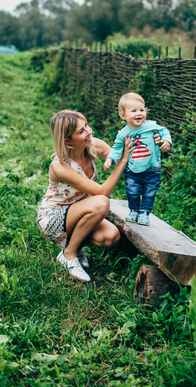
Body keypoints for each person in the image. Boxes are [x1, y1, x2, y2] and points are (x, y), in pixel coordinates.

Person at [37, 110, 135, 282]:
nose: (89, 131)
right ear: (67, 141)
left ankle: (74, 245)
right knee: (101, 202)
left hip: (78, 213)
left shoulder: (92, 145)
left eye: (86, 126)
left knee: (111, 236)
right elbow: (103, 192)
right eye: (81, 131)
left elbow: (121, 157)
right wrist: (124, 160)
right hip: (53, 220)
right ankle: (69, 254)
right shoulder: (60, 167)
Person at [104, 92, 172, 226]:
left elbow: (165, 131)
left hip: (152, 169)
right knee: (132, 191)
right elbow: (117, 148)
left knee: (150, 192)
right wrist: (109, 159)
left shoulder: (151, 126)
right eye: (134, 111)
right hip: (132, 170)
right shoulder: (123, 133)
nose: (139, 113)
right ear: (123, 115)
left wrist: (166, 141)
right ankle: (134, 210)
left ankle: (144, 213)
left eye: (142, 110)